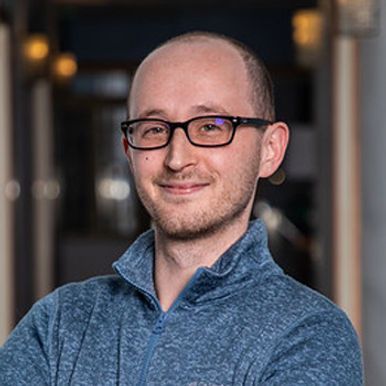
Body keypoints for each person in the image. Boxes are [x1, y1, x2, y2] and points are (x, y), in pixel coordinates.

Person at [0, 31, 363, 385]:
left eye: (210, 126)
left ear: (270, 150)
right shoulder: (60, 322)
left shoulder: (308, 334)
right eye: (154, 129)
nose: (176, 158)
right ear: (130, 152)